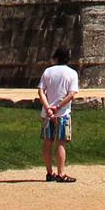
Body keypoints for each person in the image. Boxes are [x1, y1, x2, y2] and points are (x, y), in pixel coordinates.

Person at [39, 45, 79, 183]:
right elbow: (71, 94)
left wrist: (48, 107)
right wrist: (57, 107)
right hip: (63, 113)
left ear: (56, 57)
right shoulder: (72, 73)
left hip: (47, 113)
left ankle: (49, 173)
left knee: (47, 142)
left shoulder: (48, 72)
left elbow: (41, 92)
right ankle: (61, 173)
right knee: (61, 143)